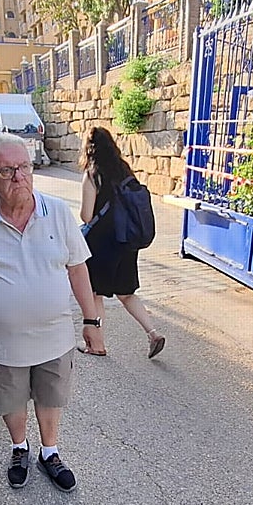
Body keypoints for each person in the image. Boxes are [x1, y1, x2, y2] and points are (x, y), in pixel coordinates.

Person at [0, 133, 106, 492]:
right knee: (11, 398)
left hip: (55, 336)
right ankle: (19, 448)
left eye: (24, 167)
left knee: (51, 396)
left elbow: (78, 267)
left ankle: (49, 452)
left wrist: (91, 320)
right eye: (7, 171)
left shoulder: (57, 212)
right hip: (5, 342)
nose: (19, 177)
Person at [78, 127, 166, 358]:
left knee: (95, 294)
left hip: (101, 245)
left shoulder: (92, 173)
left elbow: (87, 216)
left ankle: (97, 344)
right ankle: (153, 333)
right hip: (126, 242)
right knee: (126, 293)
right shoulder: (124, 170)